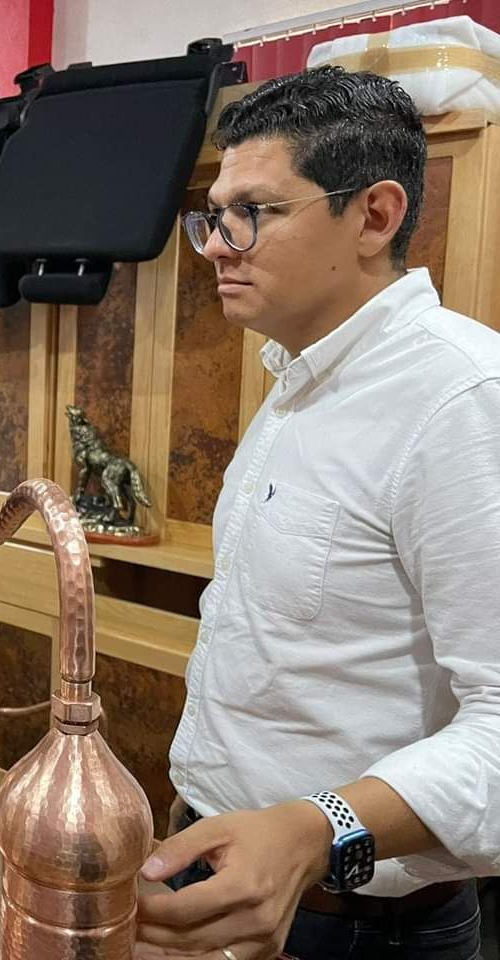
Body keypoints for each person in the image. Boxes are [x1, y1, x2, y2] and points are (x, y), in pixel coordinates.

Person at [134, 67, 500, 960]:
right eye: (212, 215)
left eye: (252, 213)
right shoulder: (292, 378)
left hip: (362, 923)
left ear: (374, 216)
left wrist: (317, 828)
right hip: (228, 866)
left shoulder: (462, 400)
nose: (216, 245)